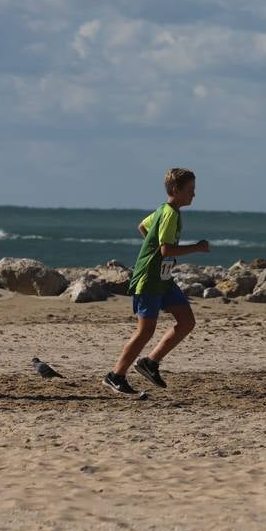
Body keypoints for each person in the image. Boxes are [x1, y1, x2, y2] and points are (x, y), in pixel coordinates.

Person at [102, 167, 209, 395]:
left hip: (164, 278)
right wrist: (197, 248)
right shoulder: (168, 213)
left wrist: (154, 250)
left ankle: (150, 363)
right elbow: (166, 248)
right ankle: (115, 376)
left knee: (186, 321)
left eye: (194, 189)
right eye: (190, 190)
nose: (194, 194)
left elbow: (143, 226)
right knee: (145, 330)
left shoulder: (167, 211)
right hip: (149, 279)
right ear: (175, 190)